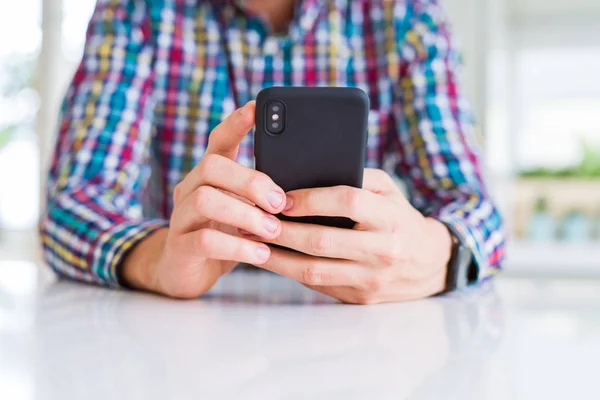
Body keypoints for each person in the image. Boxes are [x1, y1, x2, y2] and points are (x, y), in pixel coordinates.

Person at [40, 0, 505, 303]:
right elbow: (73, 205)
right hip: (185, 328)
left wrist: (444, 253)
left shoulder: (406, 16)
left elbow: (474, 208)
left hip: (355, 335)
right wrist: (153, 260)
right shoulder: (135, 13)